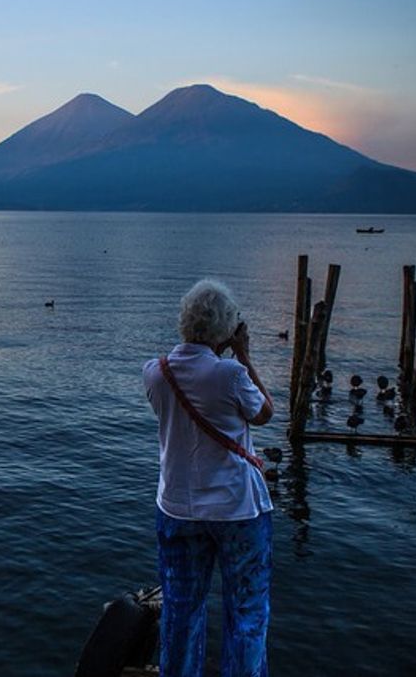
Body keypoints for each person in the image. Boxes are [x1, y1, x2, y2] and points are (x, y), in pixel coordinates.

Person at [142, 279, 275, 677]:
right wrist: (244, 354)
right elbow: (265, 413)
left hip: (178, 507)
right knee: (246, 610)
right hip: (237, 510)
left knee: (181, 607)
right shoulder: (231, 374)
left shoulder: (154, 373)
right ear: (226, 329)